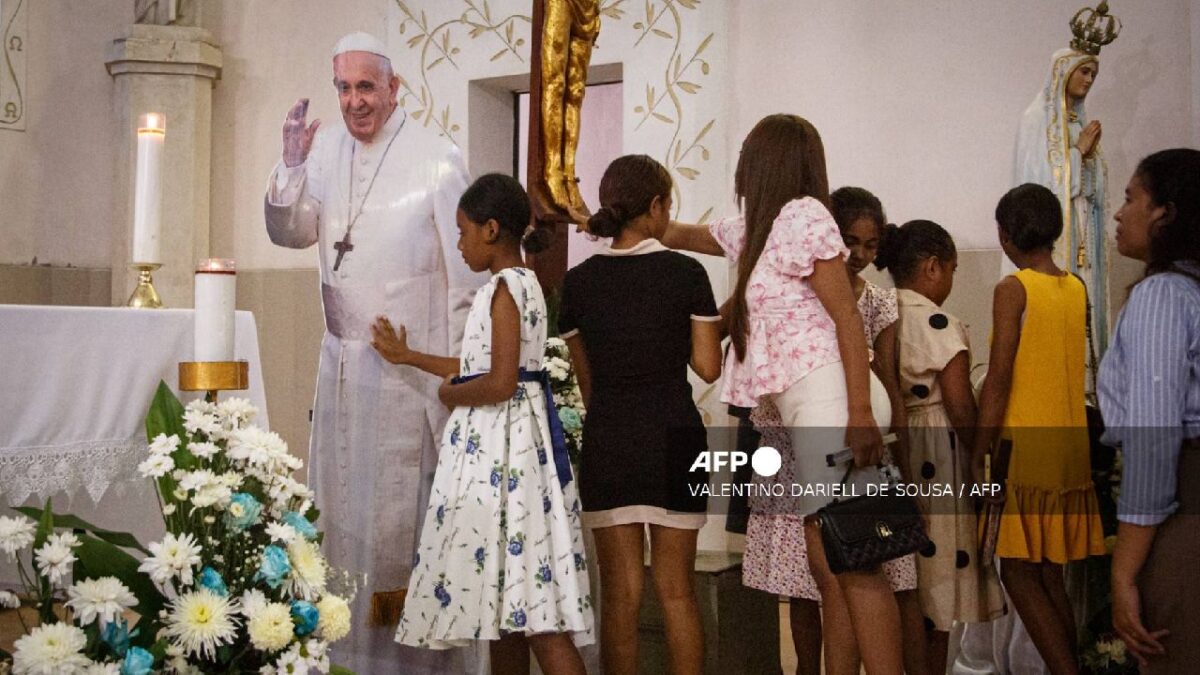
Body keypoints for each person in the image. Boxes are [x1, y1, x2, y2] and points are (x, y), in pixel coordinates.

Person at [262, 32, 485, 673]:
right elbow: (290, 234)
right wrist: (291, 166)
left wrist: (458, 382)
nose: (355, 101)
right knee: (341, 516)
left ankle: (411, 664)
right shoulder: (325, 150)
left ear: (394, 89)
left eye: (366, 87)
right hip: (340, 371)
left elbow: (466, 282)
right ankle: (343, 653)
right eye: (344, 88)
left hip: (409, 380)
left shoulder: (436, 157)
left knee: (401, 522)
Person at [663, 113, 903, 674]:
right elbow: (677, 233)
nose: (741, 163)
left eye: (748, 152)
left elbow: (848, 318)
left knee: (858, 564)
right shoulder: (757, 227)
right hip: (816, 405)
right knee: (830, 566)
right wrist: (597, 216)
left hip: (835, 401)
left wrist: (860, 413)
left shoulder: (804, 216)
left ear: (767, 160)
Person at [379, 174, 593, 675]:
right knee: (506, 611)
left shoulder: (504, 289)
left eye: (463, 232)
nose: (459, 244)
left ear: (491, 229)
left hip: (506, 457)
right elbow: (485, 365)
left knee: (537, 614)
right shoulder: (524, 283)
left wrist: (450, 393)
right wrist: (410, 357)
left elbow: (498, 383)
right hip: (513, 452)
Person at [741, 186, 925, 675]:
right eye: (851, 242)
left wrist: (898, 455)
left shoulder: (876, 302)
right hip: (791, 444)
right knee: (807, 582)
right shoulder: (795, 284)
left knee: (854, 566)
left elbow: (886, 378)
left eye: (871, 245)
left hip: (850, 433)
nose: (859, 254)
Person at [557, 155, 722, 675]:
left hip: (610, 440)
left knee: (621, 596)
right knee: (677, 591)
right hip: (676, 437)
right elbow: (709, 366)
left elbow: (587, 385)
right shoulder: (686, 273)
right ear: (655, 206)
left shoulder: (578, 282)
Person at [973, 184, 1106, 675]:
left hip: (1025, 447)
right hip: (1067, 446)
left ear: (1005, 235)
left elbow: (999, 377)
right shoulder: (1075, 287)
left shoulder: (1013, 288)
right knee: (1049, 574)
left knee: (1018, 572)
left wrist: (979, 448)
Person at [876, 220, 1005, 674]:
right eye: (951, 269)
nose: (950, 280)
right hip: (937, 453)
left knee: (902, 580)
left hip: (890, 446)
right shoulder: (941, 324)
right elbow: (959, 404)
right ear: (933, 267)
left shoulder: (877, 315)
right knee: (938, 583)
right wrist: (982, 453)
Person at [1100, 148, 1200, 674]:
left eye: (1130, 198)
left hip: (1184, 507)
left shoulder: (1163, 296)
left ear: (1165, 212)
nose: (1118, 214)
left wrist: (1123, 573)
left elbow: (1154, 439)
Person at [1012, 43, 1112, 355]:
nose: (1089, 79)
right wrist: (1078, 152)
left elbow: (1091, 188)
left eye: (1093, 74)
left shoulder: (1078, 121)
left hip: (1082, 227)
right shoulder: (1035, 120)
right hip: (1053, 232)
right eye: (1084, 71)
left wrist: (1089, 161)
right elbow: (1038, 189)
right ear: (1063, 72)